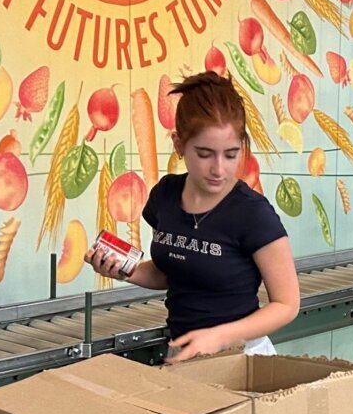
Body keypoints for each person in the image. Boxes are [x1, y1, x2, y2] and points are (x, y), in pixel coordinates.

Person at [90, 73, 299, 359]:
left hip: (243, 357)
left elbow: (287, 305)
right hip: (184, 354)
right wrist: (127, 270)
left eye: (231, 154)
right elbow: (174, 271)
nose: (219, 169)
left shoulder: (253, 213)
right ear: (179, 144)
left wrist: (221, 335)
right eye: (204, 154)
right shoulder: (165, 196)